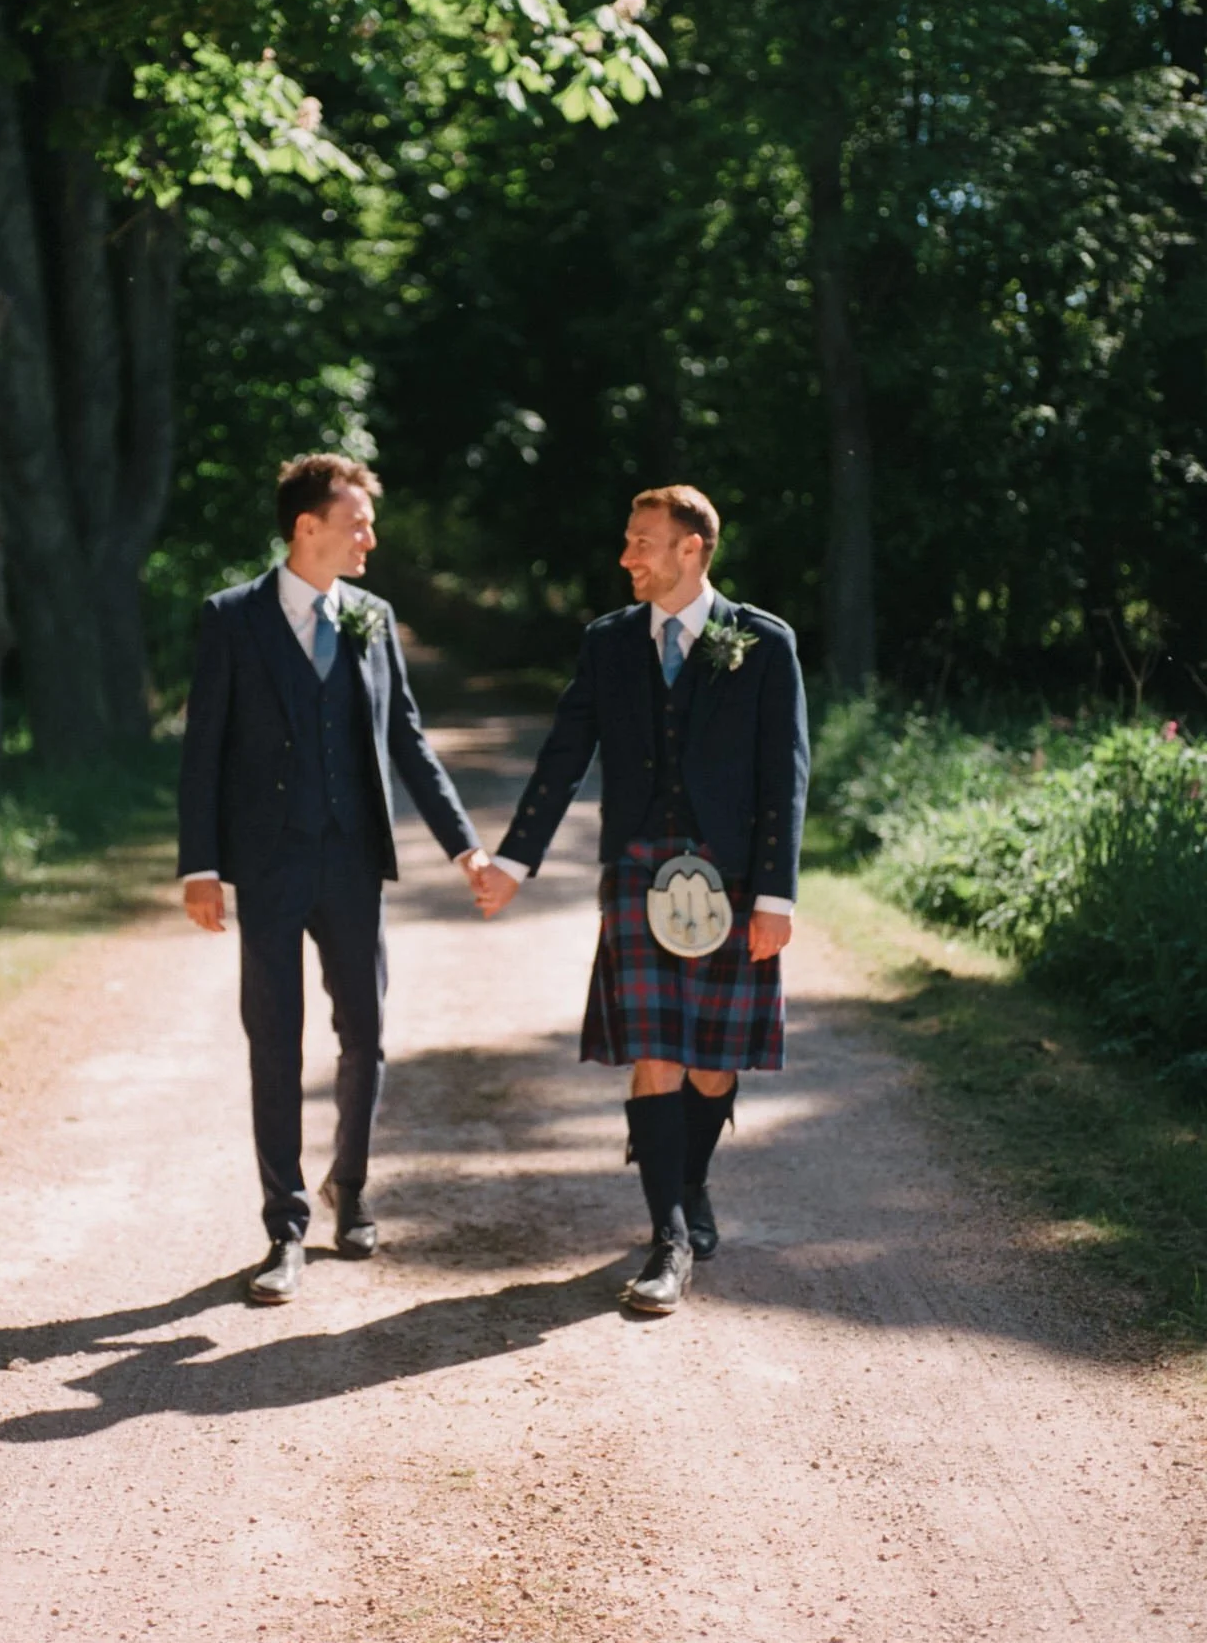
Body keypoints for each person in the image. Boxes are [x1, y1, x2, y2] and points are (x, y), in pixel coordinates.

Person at [472, 485, 808, 1314]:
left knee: (713, 1062)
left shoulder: (763, 642)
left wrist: (776, 894)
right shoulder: (609, 642)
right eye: (627, 540)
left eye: (642, 542)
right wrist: (513, 860)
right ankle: (668, 1240)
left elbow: (784, 775)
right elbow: (562, 757)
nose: (626, 556)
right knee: (656, 1049)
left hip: (732, 875)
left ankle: (688, 1183)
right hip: (637, 868)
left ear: (691, 548)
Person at [178, 453, 488, 1304]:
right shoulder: (231, 617)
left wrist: (464, 847)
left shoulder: (372, 618)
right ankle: (283, 1227)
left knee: (366, 1030)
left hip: (351, 861)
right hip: (268, 864)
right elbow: (203, 750)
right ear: (306, 527)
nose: (369, 539)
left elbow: (407, 740)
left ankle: (348, 1187)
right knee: (274, 1040)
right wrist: (200, 866)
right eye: (357, 523)